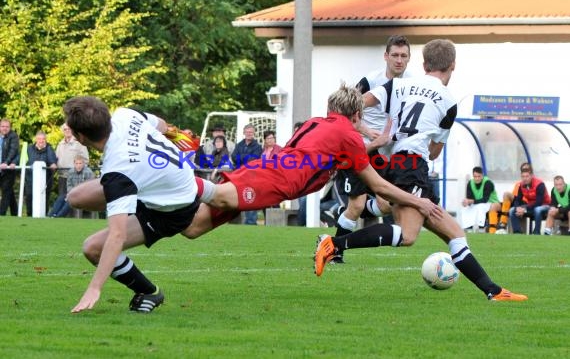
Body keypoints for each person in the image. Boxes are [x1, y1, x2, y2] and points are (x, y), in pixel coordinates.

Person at [66, 85, 443, 314]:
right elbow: (377, 183)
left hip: (266, 170)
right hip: (264, 181)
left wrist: (369, 140)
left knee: (194, 227)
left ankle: (163, 196)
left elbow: (337, 147)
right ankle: (169, 189)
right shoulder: (347, 135)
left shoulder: (321, 122)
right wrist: (421, 203)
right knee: (206, 199)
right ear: (356, 114)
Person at [313, 39, 527, 301]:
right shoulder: (449, 101)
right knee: (407, 235)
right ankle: (333, 244)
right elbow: (435, 150)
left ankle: (493, 291)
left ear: (423, 64)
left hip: (401, 165)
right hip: (412, 166)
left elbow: (359, 103)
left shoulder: (396, 85)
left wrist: (358, 128)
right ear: (452, 66)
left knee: (456, 234)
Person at [63, 96, 202, 314]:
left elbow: (117, 236)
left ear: (80, 137)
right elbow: (163, 126)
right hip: (163, 181)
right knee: (75, 197)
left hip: (172, 210)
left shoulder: (118, 173)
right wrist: (176, 135)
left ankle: (149, 292)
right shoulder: (125, 114)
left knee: (93, 248)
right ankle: (126, 201)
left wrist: (94, 288)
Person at [332, 35, 412, 263]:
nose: (399, 60)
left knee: (387, 205)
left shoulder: (413, 83)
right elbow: (345, 109)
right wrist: (368, 133)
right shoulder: (369, 81)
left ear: (409, 59)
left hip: (389, 151)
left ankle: (342, 215)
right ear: (386, 56)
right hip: (364, 147)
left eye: (403, 56)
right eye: (394, 55)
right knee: (357, 204)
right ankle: (335, 251)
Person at [54, 123, 89, 214]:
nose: (67, 131)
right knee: (62, 197)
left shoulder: (79, 143)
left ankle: (71, 218)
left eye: (69, 129)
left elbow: (85, 159)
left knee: (74, 198)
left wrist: (78, 170)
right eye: (65, 129)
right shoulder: (60, 144)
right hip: (62, 175)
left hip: (75, 176)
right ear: (63, 131)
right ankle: (57, 217)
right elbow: (56, 159)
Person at [232, 124, 262, 225]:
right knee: (238, 197)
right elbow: (233, 157)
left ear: (254, 134)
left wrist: (241, 157)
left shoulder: (257, 147)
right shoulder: (239, 145)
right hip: (239, 175)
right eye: (247, 132)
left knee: (250, 197)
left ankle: (251, 222)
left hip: (251, 176)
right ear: (244, 133)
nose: (249, 134)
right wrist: (246, 158)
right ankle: (236, 221)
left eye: (251, 132)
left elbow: (254, 159)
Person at [457, 166, 501, 233]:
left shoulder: (488, 183)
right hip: (478, 203)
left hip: (491, 203)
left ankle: (481, 228)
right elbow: (470, 197)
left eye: (479, 176)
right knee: (466, 208)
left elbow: (485, 199)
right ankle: (468, 229)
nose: (477, 178)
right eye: (475, 176)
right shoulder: (470, 183)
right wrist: (466, 202)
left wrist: (471, 201)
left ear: (482, 176)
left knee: (480, 207)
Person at [24, 131, 58, 216]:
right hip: (30, 178)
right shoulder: (29, 148)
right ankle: (29, 215)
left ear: (46, 140)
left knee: (44, 198)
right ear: (36, 139)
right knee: (29, 197)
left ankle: (43, 215)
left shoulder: (49, 149)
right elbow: (24, 161)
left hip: (45, 179)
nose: (41, 141)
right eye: (39, 139)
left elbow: (52, 160)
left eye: (43, 139)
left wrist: (53, 164)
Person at [492, 162, 532, 234]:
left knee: (506, 194)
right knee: (494, 206)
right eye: (523, 170)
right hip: (514, 203)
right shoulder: (518, 184)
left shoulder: (532, 183)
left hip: (524, 203)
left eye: (527, 169)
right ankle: (492, 232)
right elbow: (513, 197)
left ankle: (503, 224)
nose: (525, 171)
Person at [509, 168, 551, 235]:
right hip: (531, 205)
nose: (525, 178)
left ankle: (536, 232)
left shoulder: (540, 184)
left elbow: (538, 203)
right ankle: (517, 232)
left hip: (545, 205)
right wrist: (517, 208)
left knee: (537, 209)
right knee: (512, 210)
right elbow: (517, 199)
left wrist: (524, 209)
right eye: (523, 176)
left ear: (531, 176)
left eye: (527, 176)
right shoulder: (521, 185)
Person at [0, 119, 20, 216]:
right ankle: (14, 213)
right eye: (3, 126)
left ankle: (1, 214)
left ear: (10, 127)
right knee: (9, 192)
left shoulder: (13, 136)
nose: (4, 128)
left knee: (6, 191)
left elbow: (13, 151)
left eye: (7, 126)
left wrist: (6, 163)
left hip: (8, 169)